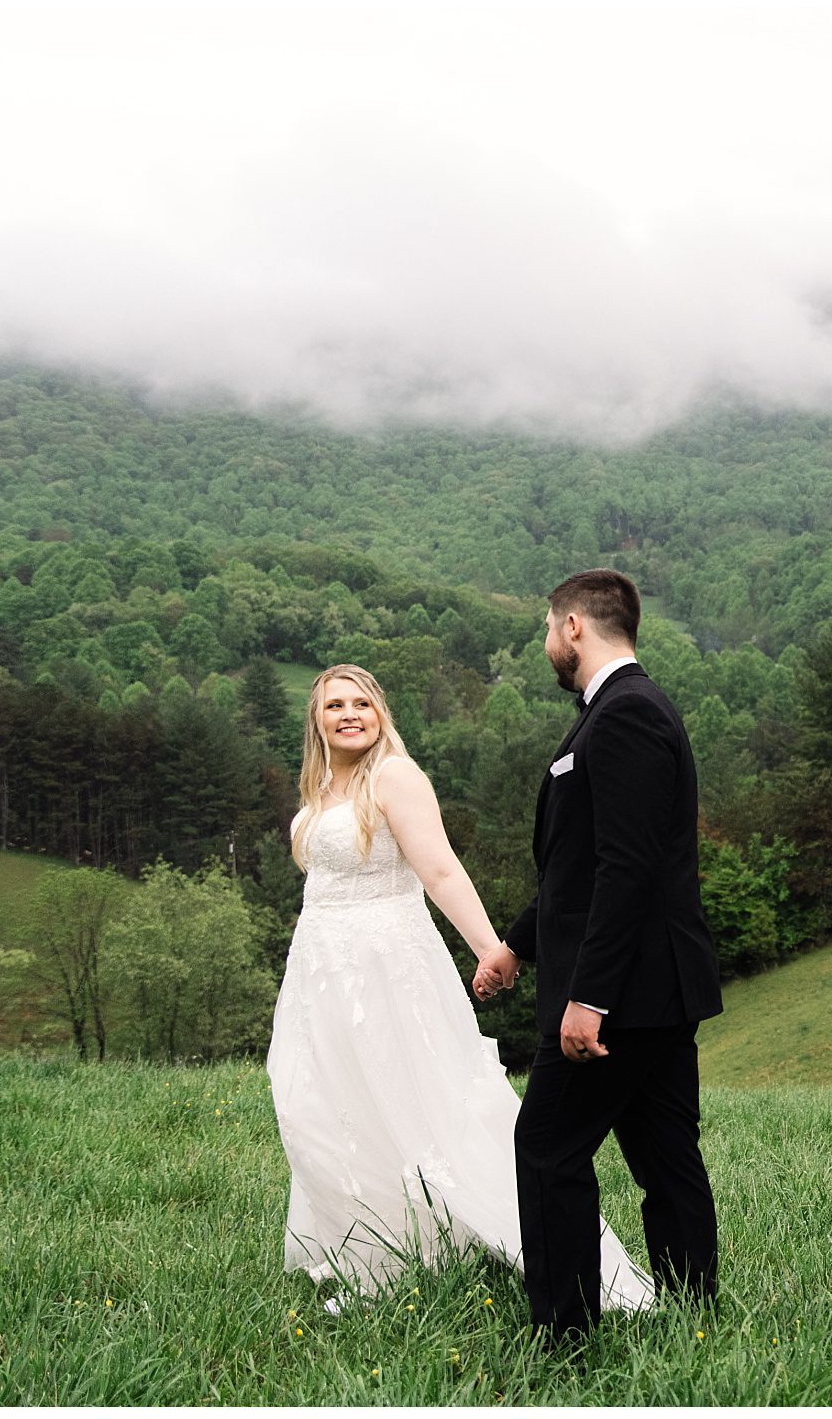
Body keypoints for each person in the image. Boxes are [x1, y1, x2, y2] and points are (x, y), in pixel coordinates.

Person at [266, 663, 653, 1314]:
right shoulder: (321, 785)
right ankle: (371, 1251)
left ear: (381, 711)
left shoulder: (393, 777)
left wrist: (492, 951)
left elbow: (440, 868)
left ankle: (505, 1247)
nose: (349, 712)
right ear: (317, 718)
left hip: (385, 965)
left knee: (409, 1101)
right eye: (335, 704)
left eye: (362, 701)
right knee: (323, 1103)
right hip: (321, 968)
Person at [505, 569, 723, 1344]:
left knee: (547, 1146)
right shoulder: (622, 710)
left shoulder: (625, 714)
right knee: (665, 1155)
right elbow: (579, 866)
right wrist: (515, 945)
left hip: (622, 994)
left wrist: (588, 996)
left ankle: (563, 1336)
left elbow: (625, 869)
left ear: (572, 626)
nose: (546, 643)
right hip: (656, 987)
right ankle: (696, 1318)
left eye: (546, 627)